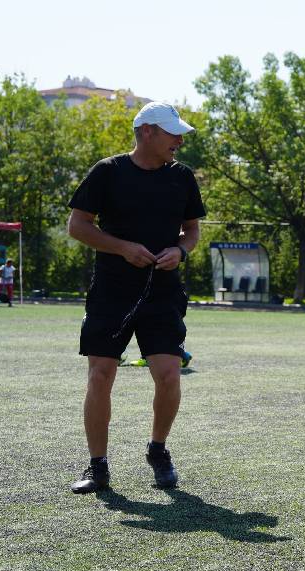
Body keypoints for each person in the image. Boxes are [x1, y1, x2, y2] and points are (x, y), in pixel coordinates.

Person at [66, 102, 205, 494]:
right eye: (172, 133)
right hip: (112, 291)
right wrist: (122, 247)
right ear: (147, 131)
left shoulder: (182, 178)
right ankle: (98, 466)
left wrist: (181, 251)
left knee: (169, 374)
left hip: (163, 292)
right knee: (100, 375)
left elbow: (191, 232)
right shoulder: (107, 172)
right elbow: (77, 226)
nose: (179, 140)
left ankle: (158, 450)